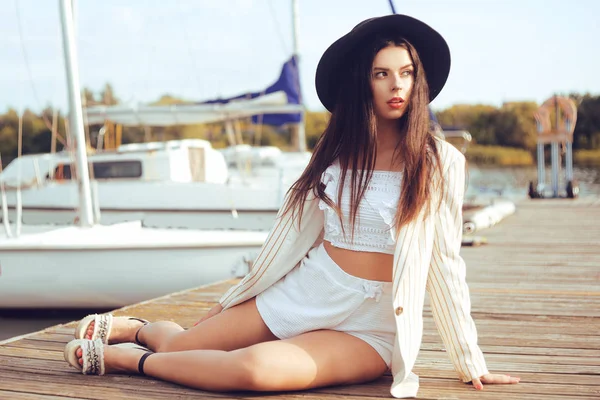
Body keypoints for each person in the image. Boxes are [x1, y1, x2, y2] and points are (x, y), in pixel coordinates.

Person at [64, 14, 520, 398]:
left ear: (418, 80)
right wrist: (228, 304)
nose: (395, 85)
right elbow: (285, 241)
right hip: (307, 291)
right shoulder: (337, 153)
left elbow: (444, 263)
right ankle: (147, 330)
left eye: (405, 73)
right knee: (184, 347)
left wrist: (469, 360)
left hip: (372, 326)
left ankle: (132, 360)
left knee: (252, 373)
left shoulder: (440, 162)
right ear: (365, 82)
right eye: (382, 73)